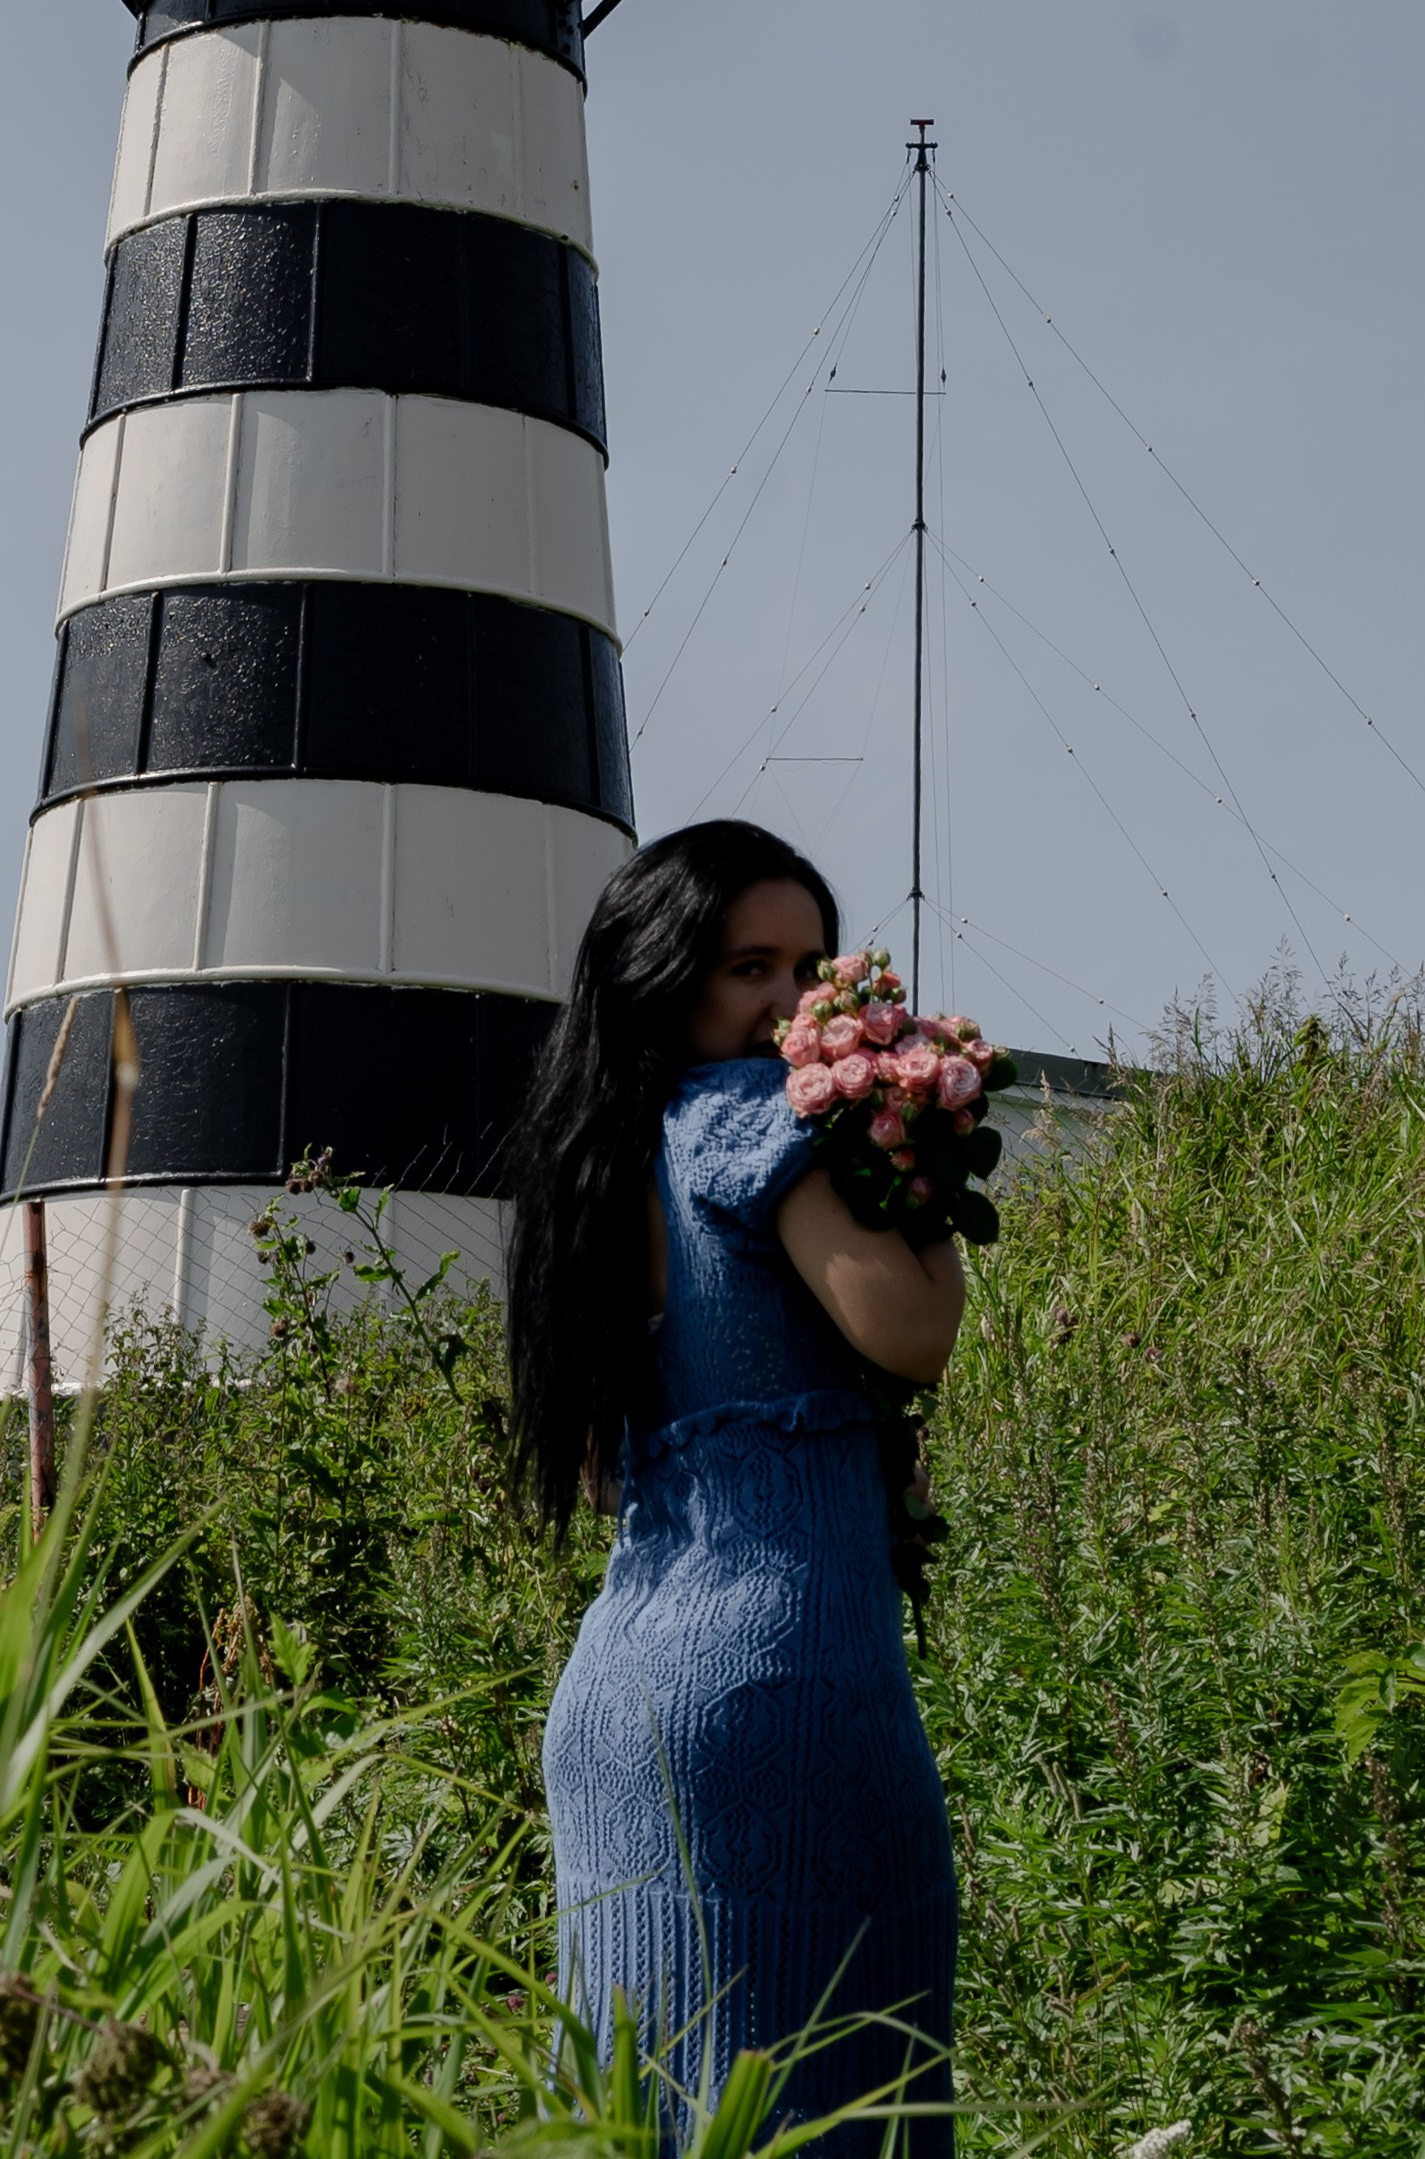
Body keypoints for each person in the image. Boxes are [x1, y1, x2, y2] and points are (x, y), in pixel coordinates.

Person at [510, 819, 964, 2153]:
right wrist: (907, 1159)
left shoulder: (593, 1164)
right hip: (779, 1690)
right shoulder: (750, 1124)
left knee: (640, 2108)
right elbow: (909, 1333)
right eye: (746, 968)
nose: (787, 1004)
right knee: (837, 2095)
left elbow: (602, 1466)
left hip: (614, 1705)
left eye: (808, 967)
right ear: (665, 979)